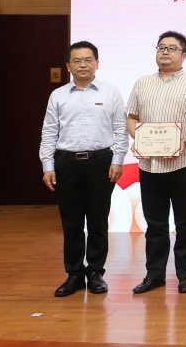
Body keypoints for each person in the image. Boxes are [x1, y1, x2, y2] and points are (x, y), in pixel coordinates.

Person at [39, 41, 128, 297]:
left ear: (97, 63)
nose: (83, 65)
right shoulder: (58, 95)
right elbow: (49, 132)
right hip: (66, 163)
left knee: (98, 220)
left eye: (88, 60)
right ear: (68, 66)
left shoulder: (111, 93)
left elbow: (120, 129)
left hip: (101, 161)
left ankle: (96, 272)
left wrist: (118, 160)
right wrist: (48, 165)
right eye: (77, 61)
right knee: (71, 221)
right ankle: (75, 274)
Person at [126, 31, 186, 294]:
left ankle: (185, 275)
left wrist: (184, 140)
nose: (165, 52)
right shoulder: (142, 83)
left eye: (172, 48)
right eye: (161, 47)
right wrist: (140, 139)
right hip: (149, 165)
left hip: (183, 163)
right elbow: (132, 118)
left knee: (185, 222)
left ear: (184, 55)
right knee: (155, 224)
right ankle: (154, 275)